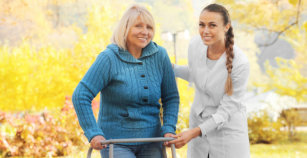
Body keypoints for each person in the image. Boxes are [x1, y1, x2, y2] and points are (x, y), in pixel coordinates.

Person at [72, 5, 179, 158]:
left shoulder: (160, 56)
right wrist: (93, 133)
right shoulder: (109, 58)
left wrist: (168, 127)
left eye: (149, 27)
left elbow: (171, 97)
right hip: (116, 143)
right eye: (138, 26)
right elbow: (81, 95)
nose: (145, 32)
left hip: (153, 141)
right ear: (125, 28)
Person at [168, 3, 250, 158]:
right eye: (201, 25)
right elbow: (196, 75)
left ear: (226, 27)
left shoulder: (240, 63)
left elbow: (225, 112)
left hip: (227, 131)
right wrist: (172, 69)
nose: (205, 31)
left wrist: (193, 133)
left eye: (212, 25)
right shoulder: (194, 45)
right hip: (198, 121)